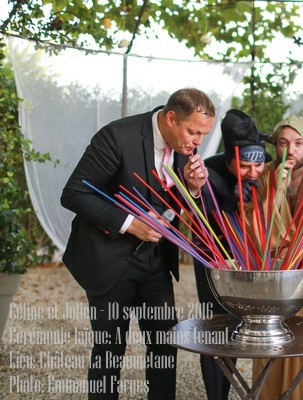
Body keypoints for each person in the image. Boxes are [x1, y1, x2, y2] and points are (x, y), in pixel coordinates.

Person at [61, 87, 215, 399]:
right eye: (194, 132)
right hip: (109, 259)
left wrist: (191, 187)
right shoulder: (117, 137)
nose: (198, 142)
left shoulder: (185, 149)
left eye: (203, 134)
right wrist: (131, 224)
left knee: (164, 347)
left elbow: (170, 206)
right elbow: (75, 193)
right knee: (109, 351)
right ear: (171, 118)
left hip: (156, 262)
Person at [250, 115, 303, 399]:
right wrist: (276, 190)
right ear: (275, 146)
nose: (291, 150)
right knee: (270, 346)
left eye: (299, 143)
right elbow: (254, 223)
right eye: (283, 143)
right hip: (272, 278)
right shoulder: (263, 176)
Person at [192, 108, 269, 400]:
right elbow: (203, 221)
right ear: (228, 160)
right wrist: (228, 203)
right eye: (245, 167)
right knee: (215, 329)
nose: (253, 174)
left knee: (236, 327)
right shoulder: (207, 175)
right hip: (212, 261)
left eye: (257, 167)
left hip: (248, 262)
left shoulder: (259, 175)